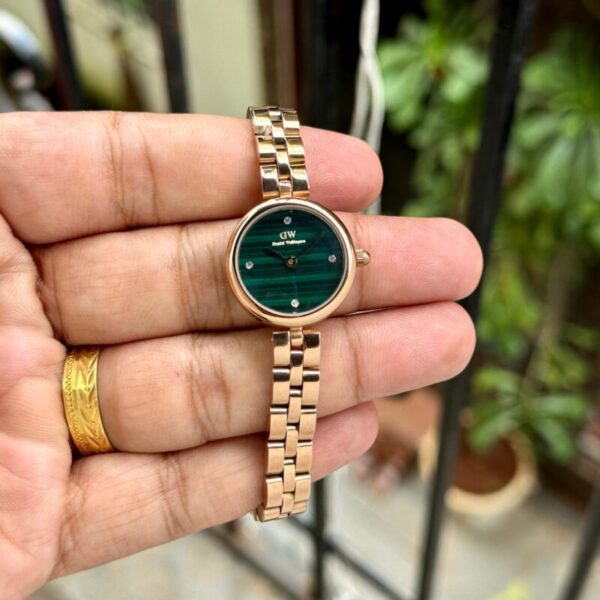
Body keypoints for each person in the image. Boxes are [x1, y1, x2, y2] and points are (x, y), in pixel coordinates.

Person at [0, 110, 482, 598]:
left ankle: (282, 495)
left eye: (296, 257)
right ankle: (282, 495)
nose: (290, 260)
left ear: (352, 258)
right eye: (283, 257)